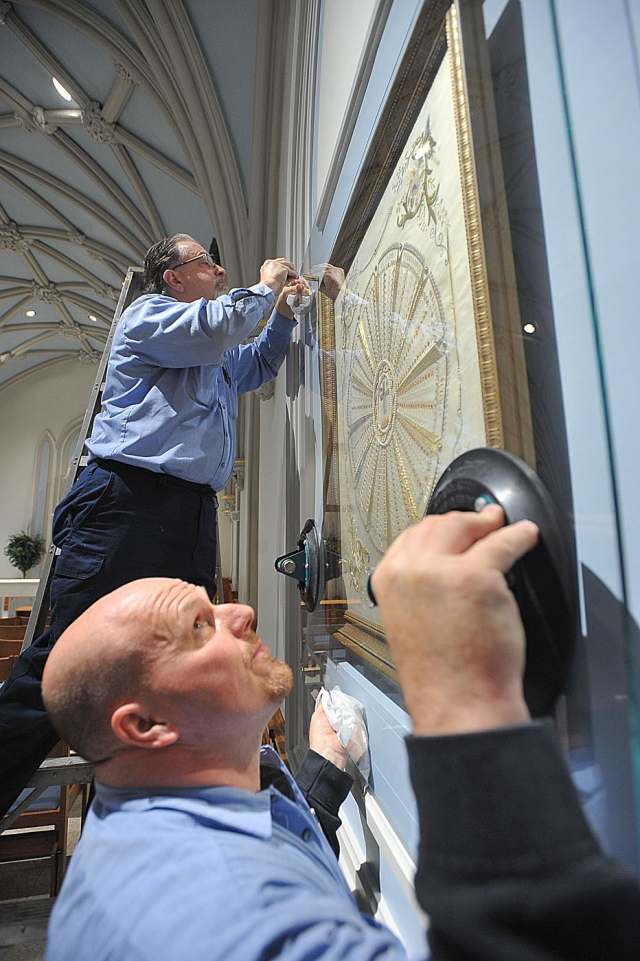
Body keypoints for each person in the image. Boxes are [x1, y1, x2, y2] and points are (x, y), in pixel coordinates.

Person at [42, 505, 640, 961]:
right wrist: (462, 703)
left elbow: (266, 845)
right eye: (200, 626)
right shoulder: (221, 921)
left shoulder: (174, 801)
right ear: (147, 725)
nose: (240, 611)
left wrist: (321, 778)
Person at [0, 234, 308, 818]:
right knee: (72, 664)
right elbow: (219, 330)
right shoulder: (150, 317)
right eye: (205, 262)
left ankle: (163, 817)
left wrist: (286, 315)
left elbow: (257, 363)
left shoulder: (209, 348)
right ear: (172, 277)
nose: (219, 268)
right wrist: (265, 285)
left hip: (189, 513)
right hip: (127, 504)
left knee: (180, 662)